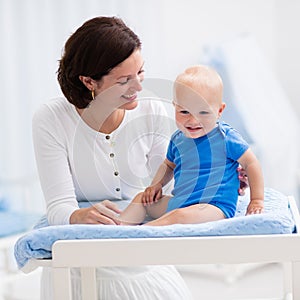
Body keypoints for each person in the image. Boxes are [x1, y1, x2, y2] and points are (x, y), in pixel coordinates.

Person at [32, 16, 193, 300]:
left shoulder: (151, 110)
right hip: (80, 265)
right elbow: (58, 209)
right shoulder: (52, 119)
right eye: (124, 80)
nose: (138, 87)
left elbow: (165, 189)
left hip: (141, 258)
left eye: (141, 73)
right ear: (88, 81)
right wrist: (78, 215)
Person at [119, 65, 264, 226]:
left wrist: (256, 200)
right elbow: (168, 165)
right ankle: (117, 229)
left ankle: (139, 234)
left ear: (219, 110)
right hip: (180, 203)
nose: (193, 121)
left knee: (179, 217)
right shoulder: (178, 139)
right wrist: (156, 185)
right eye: (184, 112)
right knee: (142, 199)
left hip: (214, 207)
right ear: (175, 106)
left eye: (203, 113)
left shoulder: (226, 138)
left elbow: (251, 163)